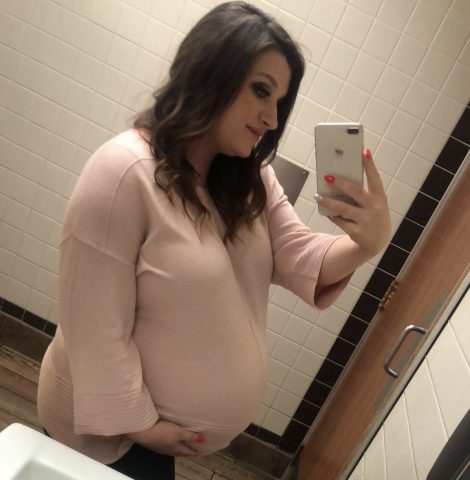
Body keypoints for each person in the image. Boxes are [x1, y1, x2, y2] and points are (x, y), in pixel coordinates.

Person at [37, 2, 391, 480]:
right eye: (261, 91)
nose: (271, 118)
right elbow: (93, 323)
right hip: (104, 435)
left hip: (153, 436)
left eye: (279, 102)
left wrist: (367, 244)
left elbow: (299, 254)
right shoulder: (124, 171)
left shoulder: (250, 179)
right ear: (211, 71)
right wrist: (141, 426)